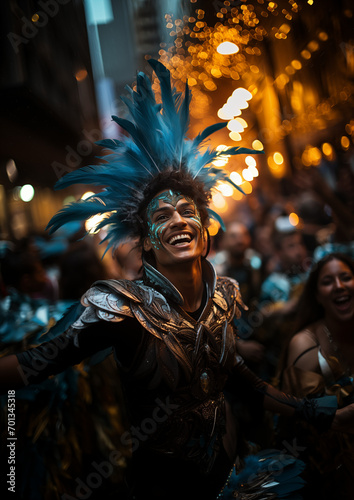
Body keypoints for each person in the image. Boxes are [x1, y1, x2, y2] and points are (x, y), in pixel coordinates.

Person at [0, 60, 353, 500]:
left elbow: (239, 380)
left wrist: (321, 413)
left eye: (189, 212)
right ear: (147, 241)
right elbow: (39, 363)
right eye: (161, 215)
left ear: (205, 230)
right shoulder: (122, 308)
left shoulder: (225, 296)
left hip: (235, 475)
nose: (178, 220)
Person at [277, 253, 354, 499]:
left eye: (346, 278)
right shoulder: (305, 345)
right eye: (328, 281)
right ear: (318, 296)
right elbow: (298, 425)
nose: (339, 286)